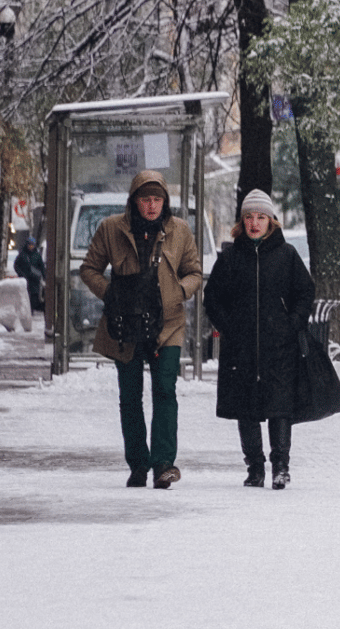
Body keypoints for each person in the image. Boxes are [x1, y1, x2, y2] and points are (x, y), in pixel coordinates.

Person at [80, 170, 204, 489]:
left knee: (165, 389)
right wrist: (109, 293)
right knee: (130, 396)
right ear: (134, 201)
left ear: (166, 202)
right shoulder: (111, 229)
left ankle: (163, 464)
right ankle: (138, 463)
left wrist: (177, 292)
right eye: (145, 199)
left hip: (168, 324)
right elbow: (89, 268)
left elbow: (194, 273)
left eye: (157, 199)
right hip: (125, 325)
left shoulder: (179, 231)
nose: (151, 206)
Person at [204, 190, 315, 490]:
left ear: (271, 222)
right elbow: (212, 298)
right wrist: (228, 327)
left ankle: (281, 466)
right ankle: (255, 467)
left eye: (261, 217)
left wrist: (291, 325)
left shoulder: (287, 255)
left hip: (278, 346)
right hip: (241, 348)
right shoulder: (230, 258)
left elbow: (305, 293)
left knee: (279, 406)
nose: (255, 223)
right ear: (242, 222)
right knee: (246, 407)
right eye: (249, 217)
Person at [13, 237, 45, 315]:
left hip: (34, 280)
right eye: (29, 245)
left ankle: (31, 311)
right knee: (25, 295)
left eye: (32, 245)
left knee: (34, 296)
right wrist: (21, 274)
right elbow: (16, 265)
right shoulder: (22, 254)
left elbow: (41, 266)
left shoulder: (37, 255)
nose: (31, 246)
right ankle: (26, 312)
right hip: (25, 279)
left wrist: (44, 276)